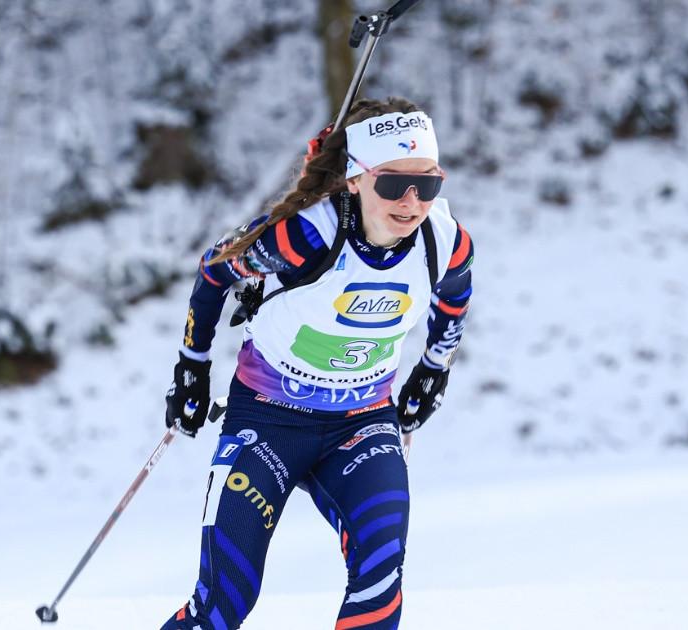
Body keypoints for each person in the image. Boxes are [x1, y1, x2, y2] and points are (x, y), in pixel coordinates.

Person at [161, 97, 474, 630]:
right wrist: (192, 366)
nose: (412, 201)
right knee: (224, 603)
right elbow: (217, 270)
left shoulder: (444, 243)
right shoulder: (307, 234)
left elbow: (453, 302)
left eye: (428, 183)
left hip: (362, 424)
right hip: (267, 421)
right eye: (394, 184)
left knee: (379, 584)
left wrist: (434, 369)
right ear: (355, 178)